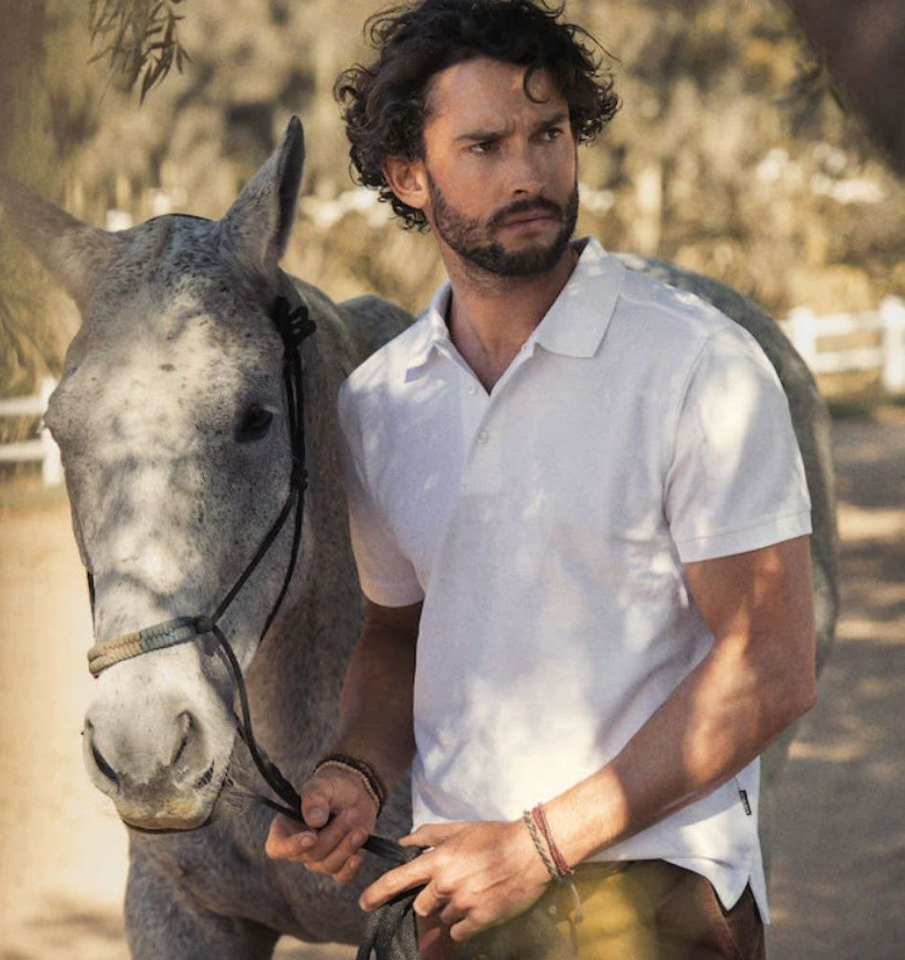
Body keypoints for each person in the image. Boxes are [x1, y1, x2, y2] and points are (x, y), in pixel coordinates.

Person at [265, 2, 816, 957]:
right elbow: (402, 631)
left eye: (548, 134)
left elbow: (771, 662)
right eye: (483, 145)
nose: (528, 173)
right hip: (458, 891)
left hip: (659, 890)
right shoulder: (381, 404)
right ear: (407, 175)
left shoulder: (695, 366)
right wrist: (354, 772)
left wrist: (537, 847)